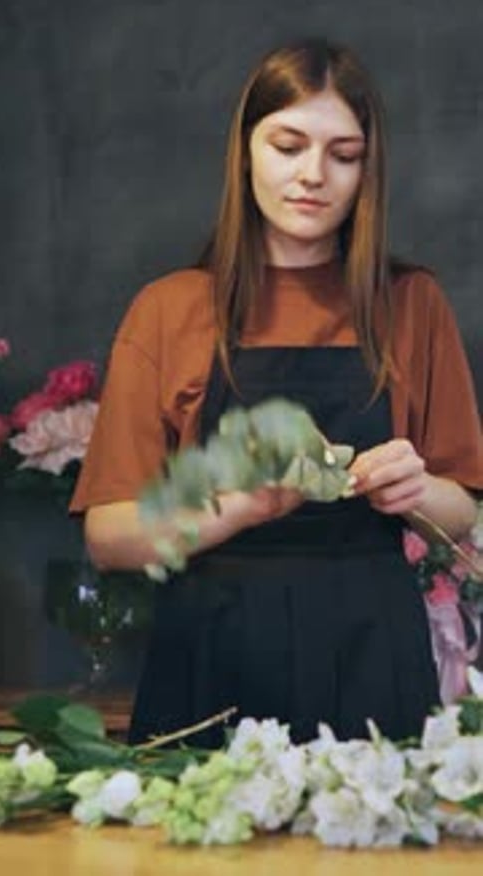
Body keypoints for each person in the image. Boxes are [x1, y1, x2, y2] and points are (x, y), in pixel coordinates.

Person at [70, 37, 483, 746]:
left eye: (343, 155)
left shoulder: (412, 304)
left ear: (368, 170)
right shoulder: (170, 309)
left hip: (373, 652)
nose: (312, 175)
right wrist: (240, 506)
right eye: (288, 145)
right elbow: (110, 536)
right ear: (245, 151)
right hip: (211, 650)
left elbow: (464, 509)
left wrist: (416, 489)